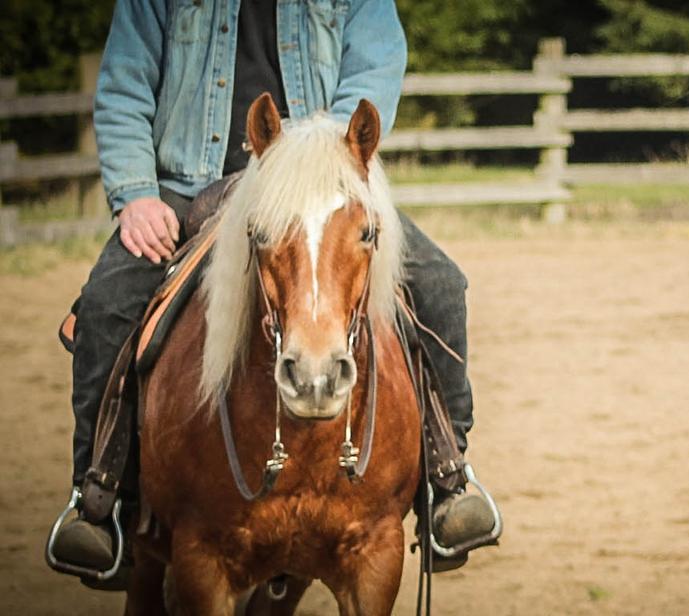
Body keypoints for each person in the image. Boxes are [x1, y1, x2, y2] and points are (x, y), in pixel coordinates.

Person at [49, 0, 496, 579]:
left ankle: (447, 480)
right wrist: (135, 193)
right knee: (110, 301)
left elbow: (375, 65)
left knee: (439, 285)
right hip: (186, 187)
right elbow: (125, 87)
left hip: (319, 182)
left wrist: (322, 160)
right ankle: (99, 498)